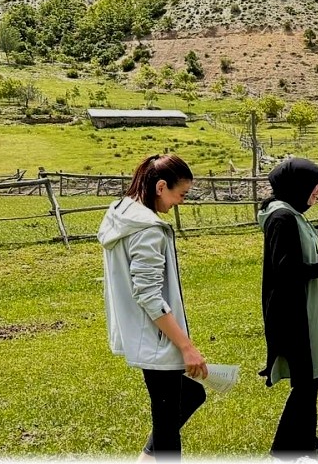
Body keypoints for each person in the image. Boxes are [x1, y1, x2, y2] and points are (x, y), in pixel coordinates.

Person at [99, 154, 206, 461]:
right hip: (157, 336)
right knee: (167, 424)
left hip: (142, 332)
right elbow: (148, 295)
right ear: (161, 187)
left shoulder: (121, 213)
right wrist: (186, 346)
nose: (181, 201)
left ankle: (146, 458)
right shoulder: (147, 229)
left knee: (190, 396)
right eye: (181, 194)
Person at [257, 158, 318, 460]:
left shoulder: (293, 214)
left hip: (307, 309)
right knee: (305, 384)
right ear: (297, 186)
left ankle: (307, 442)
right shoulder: (282, 218)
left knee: (311, 380)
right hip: (295, 315)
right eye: (315, 184)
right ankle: (283, 451)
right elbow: (286, 270)